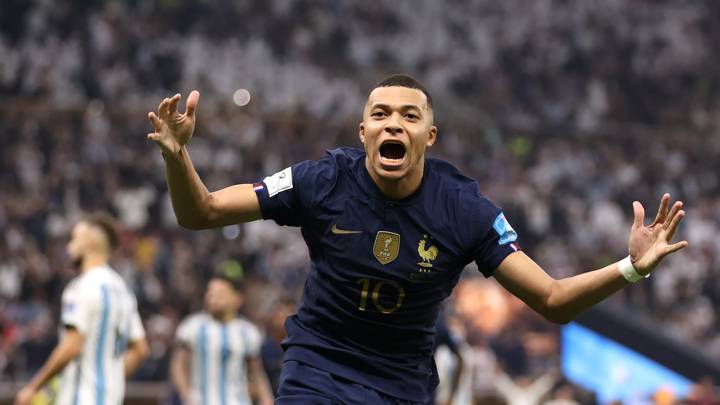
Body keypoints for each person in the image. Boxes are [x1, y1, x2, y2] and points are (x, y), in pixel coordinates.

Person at [147, 74, 688, 404]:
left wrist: (631, 268)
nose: (393, 125)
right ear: (363, 133)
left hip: (399, 385)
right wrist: (178, 156)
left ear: (429, 135)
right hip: (318, 364)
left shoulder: (465, 210)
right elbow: (205, 211)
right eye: (379, 115)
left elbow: (551, 300)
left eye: (409, 116)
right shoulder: (322, 180)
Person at [14, 214, 150, 405]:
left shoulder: (81, 287)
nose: (69, 247)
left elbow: (72, 345)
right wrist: (109, 377)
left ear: (91, 242)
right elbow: (140, 350)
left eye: (75, 239)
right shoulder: (123, 290)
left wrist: (32, 387)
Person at [170, 271, 274, 405]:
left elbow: (256, 372)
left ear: (236, 298)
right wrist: (185, 394)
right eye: (210, 293)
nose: (212, 298)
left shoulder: (248, 332)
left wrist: (266, 398)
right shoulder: (191, 327)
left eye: (219, 294)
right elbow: (178, 365)